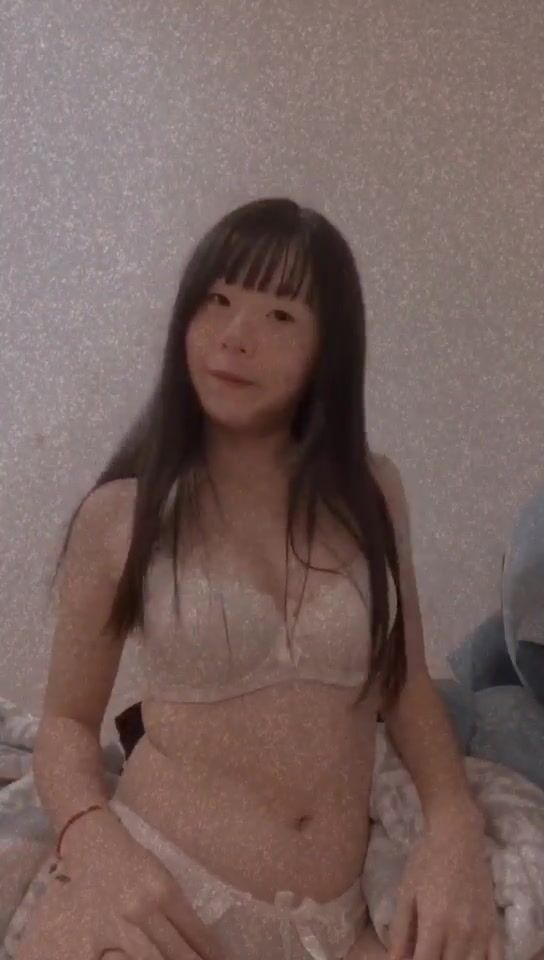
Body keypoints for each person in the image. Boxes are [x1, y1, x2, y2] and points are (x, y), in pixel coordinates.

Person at [14, 198, 503, 960]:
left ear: (328, 348)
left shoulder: (373, 494)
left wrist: (452, 825)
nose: (236, 335)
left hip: (335, 923)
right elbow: (66, 725)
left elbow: (404, 682)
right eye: (217, 300)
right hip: (161, 899)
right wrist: (95, 844)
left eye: (280, 315)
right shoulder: (120, 518)